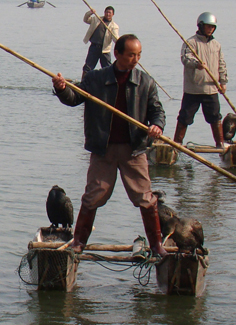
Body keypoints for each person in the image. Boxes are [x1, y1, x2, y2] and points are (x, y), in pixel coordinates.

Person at [51, 34, 168, 257]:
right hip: (103, 149)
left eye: (139, 55)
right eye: (131, 54)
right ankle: (78, 243)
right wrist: (61, 87)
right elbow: (73, 98)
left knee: (145, 198)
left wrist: (157, 126)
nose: (136, 59)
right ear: (117, 54)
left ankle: (156, 245)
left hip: (134, 149)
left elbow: (157, 111)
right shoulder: (96, 79)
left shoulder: (145, 82)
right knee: (93, 195)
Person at [173, 12, 228, 149]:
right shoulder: (191, 42)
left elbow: (221, 64)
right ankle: (177, 144)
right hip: (193, 89)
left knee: (215, 117)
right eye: (208, 27)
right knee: (185, 117)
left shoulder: (216, 45)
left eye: (212, 27)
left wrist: (223, 82)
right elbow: (185, 58)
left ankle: (220, 144)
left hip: (211, 88)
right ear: (201, 26)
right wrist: (196, 63)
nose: (210, 29)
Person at [81, 6, 119, 77]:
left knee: (107, 68)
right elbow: (85, 19)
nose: (108, 14)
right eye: (107, 12)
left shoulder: (114, 26)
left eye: (110, 13)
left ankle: (109, 84)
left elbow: (115, 38)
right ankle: (84, 82)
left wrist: (120, 44)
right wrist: (90, 13)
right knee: (88, 67)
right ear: (104, 13)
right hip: (94, 47)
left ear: (113, 14)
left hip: (105, 50)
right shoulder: (96, 19)